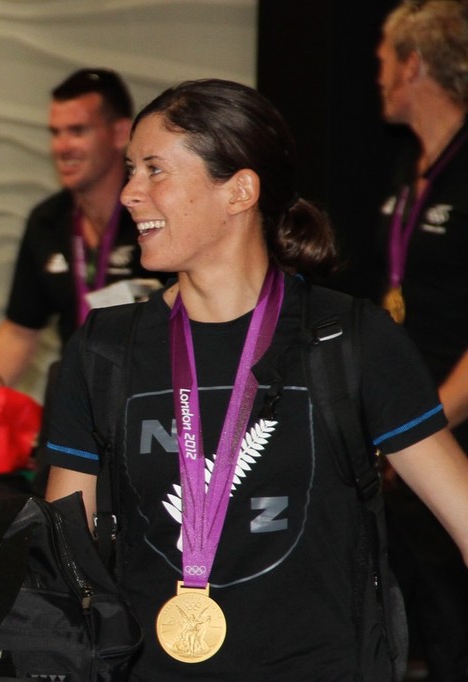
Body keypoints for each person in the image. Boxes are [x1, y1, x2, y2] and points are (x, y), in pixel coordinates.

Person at [44, 78, 468, 679]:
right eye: (132, 170)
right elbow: (62, 557)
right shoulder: (105, 348)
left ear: (239, 190)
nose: (130, 193)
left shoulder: (349, 338)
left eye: (155, 171)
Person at [373, 1, 468, 677]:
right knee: (423, 632)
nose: (374, 72)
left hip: (451, 434)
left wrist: (419, 427)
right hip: (411, 434)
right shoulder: (410, 170)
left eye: (382, 56)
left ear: (414, 65)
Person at [0, 68, 162, 388]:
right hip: (77, 403)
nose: (62, 146)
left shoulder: (153, 214)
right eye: (55, 132)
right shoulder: (47, 220)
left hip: (152, 398)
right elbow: (19, 332)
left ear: (119, 133)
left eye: (77, 130)